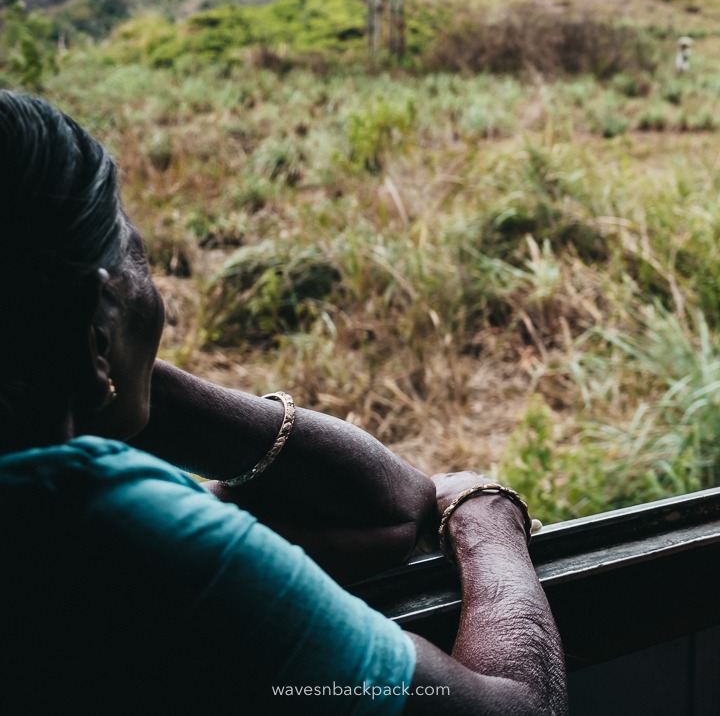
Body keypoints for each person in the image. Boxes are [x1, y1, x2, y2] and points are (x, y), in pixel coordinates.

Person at [0, 90, 567, 715]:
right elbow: (519, 711)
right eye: (139, 258)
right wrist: (487, 523)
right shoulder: (105, 524)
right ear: (97, 316)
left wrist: (77, 363)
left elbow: (389, 512)